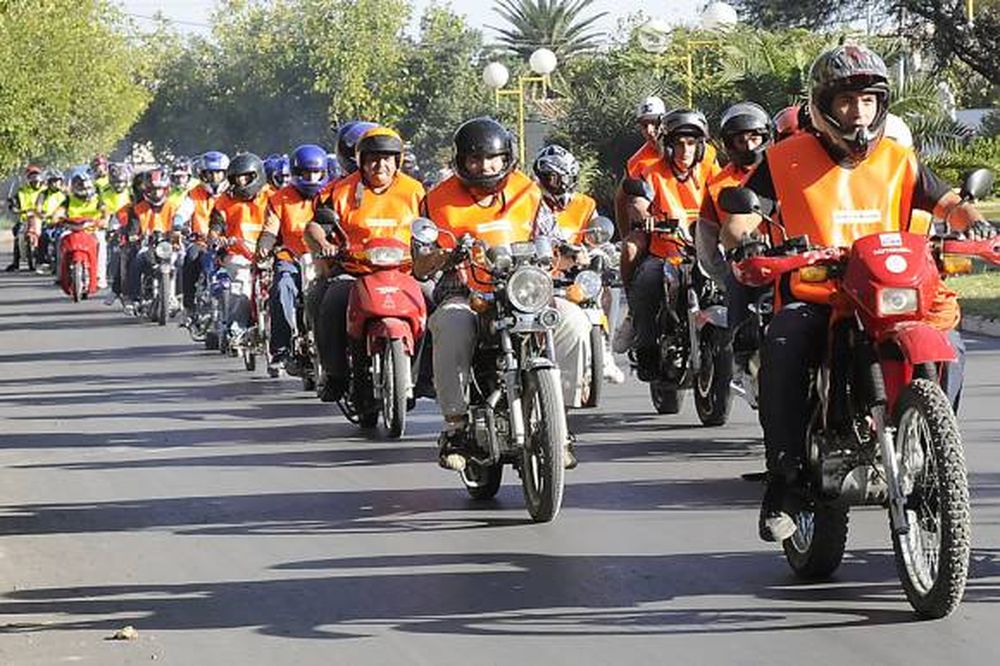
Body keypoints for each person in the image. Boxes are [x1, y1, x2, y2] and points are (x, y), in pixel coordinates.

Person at [719, 44, 997, 543]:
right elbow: (742, 214)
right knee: (783, 341)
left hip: (892, 289)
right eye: (847, 102)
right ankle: (784, 481)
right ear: (823, 105)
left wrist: (974, 224)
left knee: (949, 342)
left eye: (868, 101)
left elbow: (949, 202)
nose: (859, 113)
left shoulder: (898, 158)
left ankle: (929, 444)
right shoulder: (782, 159)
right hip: (820, 292)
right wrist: (745, 237)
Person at [412, 117, 591, 471]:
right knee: (450, 323)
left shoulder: (529, 192)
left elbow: (551, 235)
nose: (485, 166)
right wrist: (447, 254)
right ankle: (456, 427)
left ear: (506, 157)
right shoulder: (437, 200)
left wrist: (570, 251)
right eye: (475, 160)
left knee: (573, 319)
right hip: (467, 293)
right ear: (461, 161)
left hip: (525, 290)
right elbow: (420, 264)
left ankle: (562, 422)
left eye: (493, 159)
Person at [303, 127, 425, 401]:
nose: (380, 165)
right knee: (331, 301)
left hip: (404, 273)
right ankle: (335, 374)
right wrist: (324, 244)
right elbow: (315, 226)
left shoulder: (416, 191)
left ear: (398, 161)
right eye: (373, 158)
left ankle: (425, 376)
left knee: (434, 299)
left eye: (387, 158)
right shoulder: (339, 191)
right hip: (354, 272)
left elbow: (431, 227)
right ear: (360, 160)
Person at [622, 108, 720, 379]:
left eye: (691, 143)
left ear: (701, 146)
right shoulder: (649, 169)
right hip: (665, 251)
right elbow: (637, 200)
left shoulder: (711, 164)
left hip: (706, 248)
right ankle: (644, 346)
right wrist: (644, 215)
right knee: (646, 284)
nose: (685, 150)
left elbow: (723, 193)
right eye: (678, 143)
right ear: (667, 145)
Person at [697, 102, 773, 398]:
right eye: (740, 140)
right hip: (744, 261)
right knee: (738, 288)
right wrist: (721, 272)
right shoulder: (718, 184)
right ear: (729, 144)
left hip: (790, 256)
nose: (748, 145)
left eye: (754, 138)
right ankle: (743, 360)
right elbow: (706, 236)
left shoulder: (782, 170)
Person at [533, 143, 626, 384]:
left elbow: (597, 237)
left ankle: (604, 347)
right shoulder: (529, 202)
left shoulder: (585, 204)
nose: (554, 183)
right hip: (540, 269)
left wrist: (603, 252)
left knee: (606, 278)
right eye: (548, 177)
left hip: (577, 270)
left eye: (559, 177)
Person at [257, 143, 329, 373]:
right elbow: (270, 229)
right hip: (292, 258)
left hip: (325, 259)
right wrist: (264, 246)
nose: (311, 177)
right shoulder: (280, 199)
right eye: (306, 173)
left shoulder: (329, 195)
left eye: (316, 172)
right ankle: (281, 348)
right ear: (295, 173)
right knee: (282, 289)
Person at [209, 153, 270, 339]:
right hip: (238, 254)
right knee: (242, 286)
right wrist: (217, 238)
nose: (242, 182)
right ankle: (238, 327)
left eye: (246, 177)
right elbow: (215, 228)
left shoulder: (272, 198)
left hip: (268, 253)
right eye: (237, 178)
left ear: (257, 176)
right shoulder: (224, 201)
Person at [175, 151, 230, 321]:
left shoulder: (232, 193)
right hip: (202, 242)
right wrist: (177, 224)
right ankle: (188, 306)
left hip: (227, 242)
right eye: (210, 174)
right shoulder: (194, 193)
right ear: (202, 175)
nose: (214, 178)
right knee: (190, 258)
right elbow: (183, 211)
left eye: (218, 173)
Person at [123, 167, 180, 311]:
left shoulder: (173, 207)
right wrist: (132, 235)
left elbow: (181, 223)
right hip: (147, 245)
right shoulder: (138, 208)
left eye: (160, 189)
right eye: (153, 190)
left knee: (182, 262)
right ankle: (133, 298)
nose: (156, 193)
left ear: (166, 189)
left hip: (169, 245)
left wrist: (181, 231)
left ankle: (180, 296)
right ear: (146, 190)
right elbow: (133, 227)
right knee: (135, 261)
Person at [6, 165, 46, 272]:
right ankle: (16, 263)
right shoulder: (22, 191)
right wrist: (13, 205)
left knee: (46, 235)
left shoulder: (45, 191)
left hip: (42, 219)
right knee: (18, 233)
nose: (35, 179)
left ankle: (44, 258)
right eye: (32, 176)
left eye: (36, 176)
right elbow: (15, 202)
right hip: (25, 219)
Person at [34, 169, 66, 270]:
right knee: (43, 237)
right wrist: (41, 214)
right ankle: (41, 261)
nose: (55, 184)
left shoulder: (65, 194)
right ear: (48, 182)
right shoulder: (43, 194)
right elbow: (38, 207)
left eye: (57, 181)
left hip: (63, 223)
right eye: (53, 181)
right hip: (48, 223)